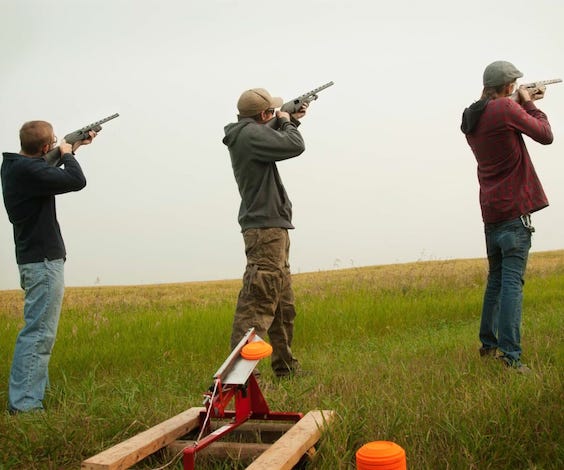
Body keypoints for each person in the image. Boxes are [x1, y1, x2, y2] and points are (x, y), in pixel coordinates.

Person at [460, 60, 554, 372]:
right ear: (509, 86)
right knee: (513, 281)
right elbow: (545, 135)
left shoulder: (471, 116)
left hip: (491, 210)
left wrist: (519, 103)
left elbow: (496, 114)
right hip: (515, 210)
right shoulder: (505, 109)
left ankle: (488, 344)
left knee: (496, 279)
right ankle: (511, 357)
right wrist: (529, 105)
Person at [1, 120, 95, 413]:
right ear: (45, 147)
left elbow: (48, 174)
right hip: (43, 261)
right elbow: (76, 181)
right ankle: (26, 405)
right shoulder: (29, 170)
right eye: (52, 143)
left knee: (38, 331)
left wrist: (74, 147)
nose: (55, 145)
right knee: (39, 333)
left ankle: (30, 393)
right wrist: (66, 153)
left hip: (34, 259)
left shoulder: (15, 166)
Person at [222, 88, 308, 378]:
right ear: (263, 115)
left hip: (273, 228)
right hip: (265, 230)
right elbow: (294, 146)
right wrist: (286, 121)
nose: (274, 114)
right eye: (270, 112)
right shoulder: (248, 136)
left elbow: (282, 139)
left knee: (283, 306)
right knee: (257, 304)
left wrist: (289, 120)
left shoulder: (251, 135)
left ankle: (286, 369)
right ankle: (240, 379)